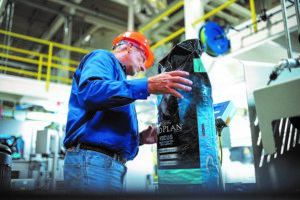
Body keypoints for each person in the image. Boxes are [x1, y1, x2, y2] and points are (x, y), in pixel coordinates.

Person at [63, 31, 193, 194]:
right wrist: (146, 85)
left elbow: (106, 129)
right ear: (130, 47)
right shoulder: (103, 58)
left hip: (108, 163)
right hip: (93, 160)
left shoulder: (121, 83)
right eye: (142, 59)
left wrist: (139, 139)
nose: (142, 67)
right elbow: (90, 92)